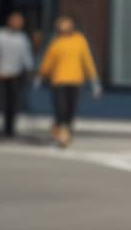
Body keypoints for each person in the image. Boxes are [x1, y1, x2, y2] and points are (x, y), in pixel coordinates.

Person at [37, 15, 101, 147]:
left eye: (66, 24)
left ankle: (66, 133)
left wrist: (94, 81)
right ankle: (61, 135)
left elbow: (87, 60)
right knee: (61, 109)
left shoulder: (80, 41)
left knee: (71, 109)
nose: (64, 26)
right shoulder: (56, 42)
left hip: (76, 80)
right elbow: (48, 61)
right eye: (61, 24)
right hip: (59, 81)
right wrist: (41, 75)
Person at [0, 11, 34, 138]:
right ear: (9, 21)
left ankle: (9, 130)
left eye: (20, 21)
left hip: (15, 76)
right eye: (15, 20)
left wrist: (30, 70)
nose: (18, 23)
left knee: (13, 104)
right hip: (0, 75)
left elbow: (26, 57)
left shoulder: (22, 38)